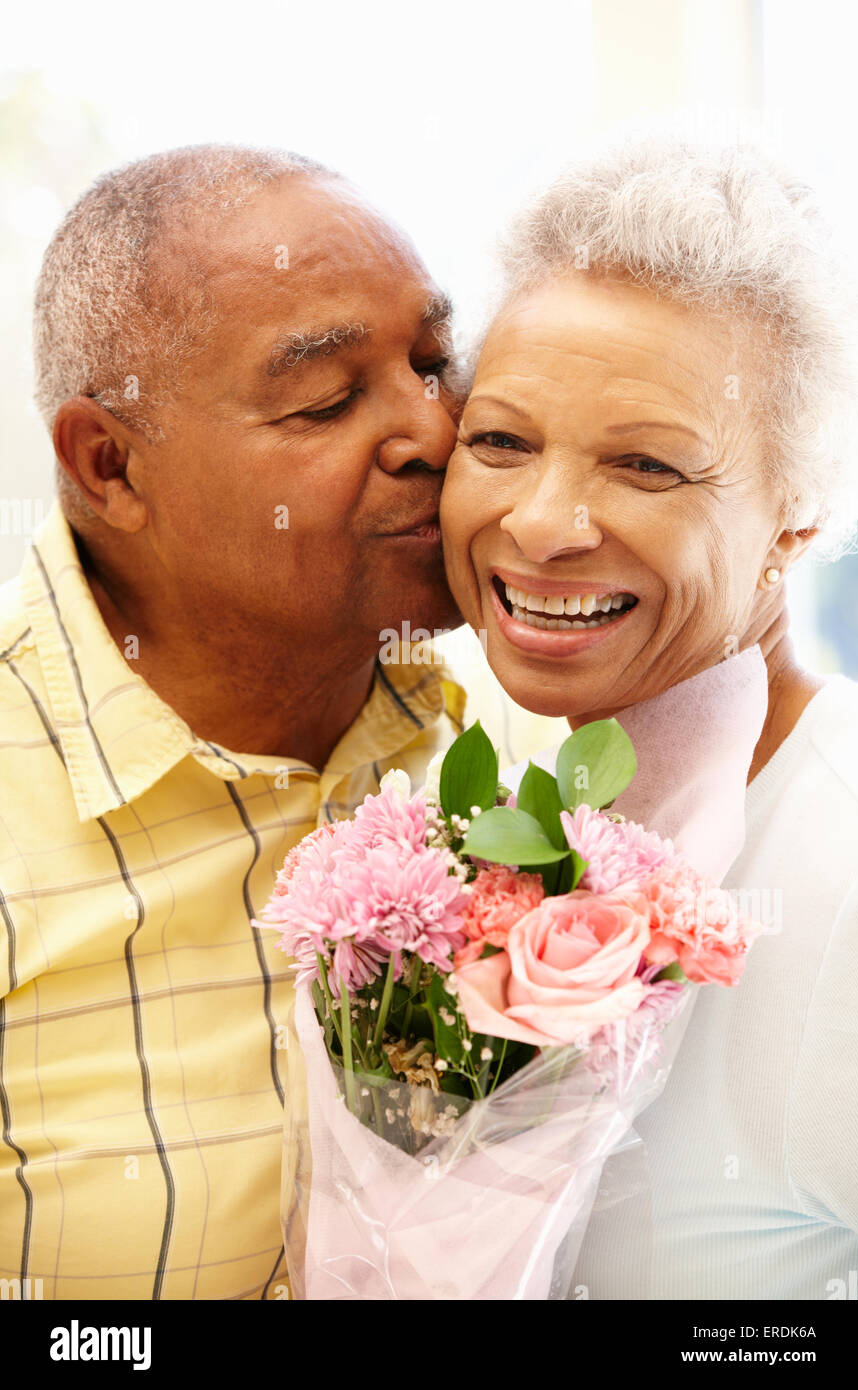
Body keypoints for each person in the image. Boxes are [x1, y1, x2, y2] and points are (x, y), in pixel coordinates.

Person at [0, 144, 467, 1300]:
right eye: (326, 399)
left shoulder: (519, 730)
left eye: (434, 361)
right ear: (109, 466)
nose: (435, 434)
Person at [440, 137, 858, 1299]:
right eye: (499, 441)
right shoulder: (518, 806)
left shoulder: (846, 863)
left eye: (645, 465)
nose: (539, 523)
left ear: (795, 516)